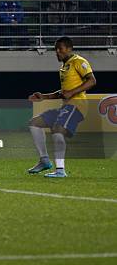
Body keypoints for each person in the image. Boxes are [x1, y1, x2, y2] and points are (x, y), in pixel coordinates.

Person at [27, 37, 96, 177]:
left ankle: (60, 170)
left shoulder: (79, 61)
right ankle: (44, 161)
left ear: (69, 48)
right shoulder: (64, 67)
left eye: (60, 49)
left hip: (77, 105)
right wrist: (44, 97)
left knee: (58, 130)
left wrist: (72, 92)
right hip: (66, 107)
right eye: (56, 49)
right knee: (34, 123)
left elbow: (92, 80)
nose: (57, 52)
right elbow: (63, 93)